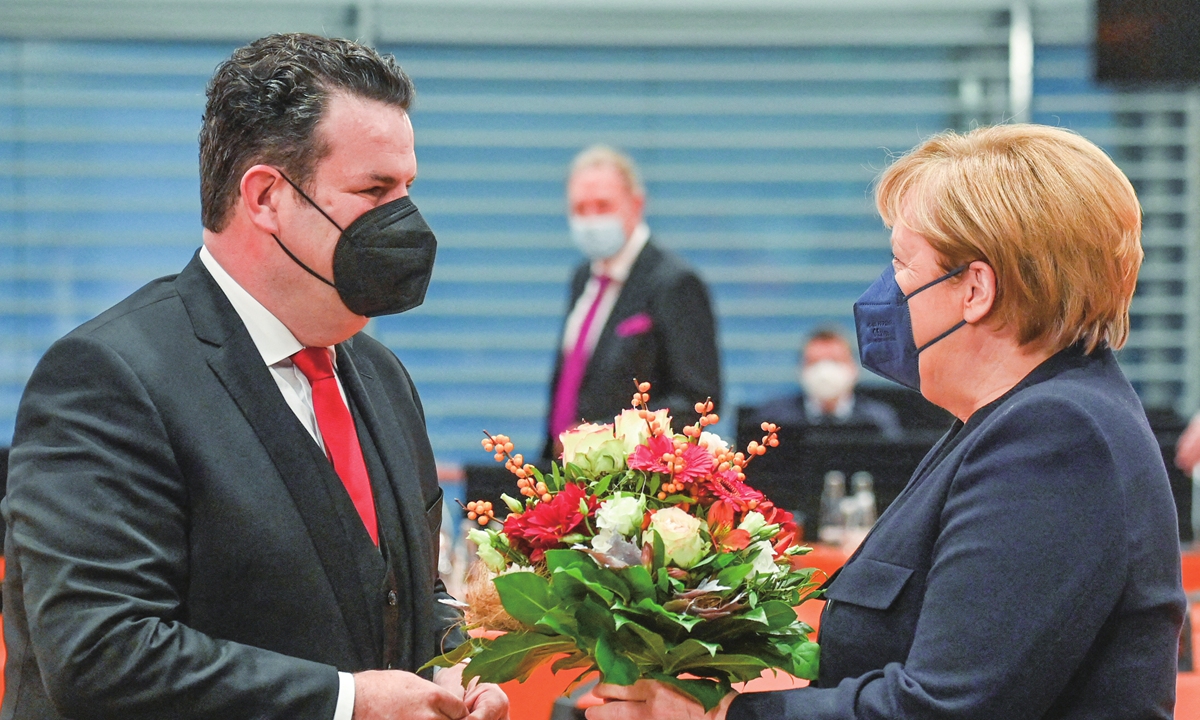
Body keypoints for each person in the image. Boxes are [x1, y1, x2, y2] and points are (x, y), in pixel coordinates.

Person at [587, 124, 1186, 720]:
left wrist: (714, 717)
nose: (886, 292)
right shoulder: (1002, 423)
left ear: (975, 288)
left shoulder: (1055, 436)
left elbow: (945, 707)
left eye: (903, 263)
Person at [1, 34, 506, 720]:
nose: (404, 220)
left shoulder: (382, 376)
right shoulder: (108, 380)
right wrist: (347, 703)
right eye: (374, 191)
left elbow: (405, 589)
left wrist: (461, 668)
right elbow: (100, 654)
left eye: (407, 189)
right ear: (266, 196)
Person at [544, 145, 721, 458]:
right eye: (580, 209)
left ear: (636, 204)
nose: (591, 219)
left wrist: (604, 435)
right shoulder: (583, 277)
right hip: (564, 474)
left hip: (632, 482)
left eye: (603, 205)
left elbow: (699, 400)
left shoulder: (674, 282)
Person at [751, 328, 901, 439]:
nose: (824, 371)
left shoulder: (877, 419)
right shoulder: (775, 419)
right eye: (814, 362)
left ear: (853, 368)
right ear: (801, 370)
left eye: (835, 361)